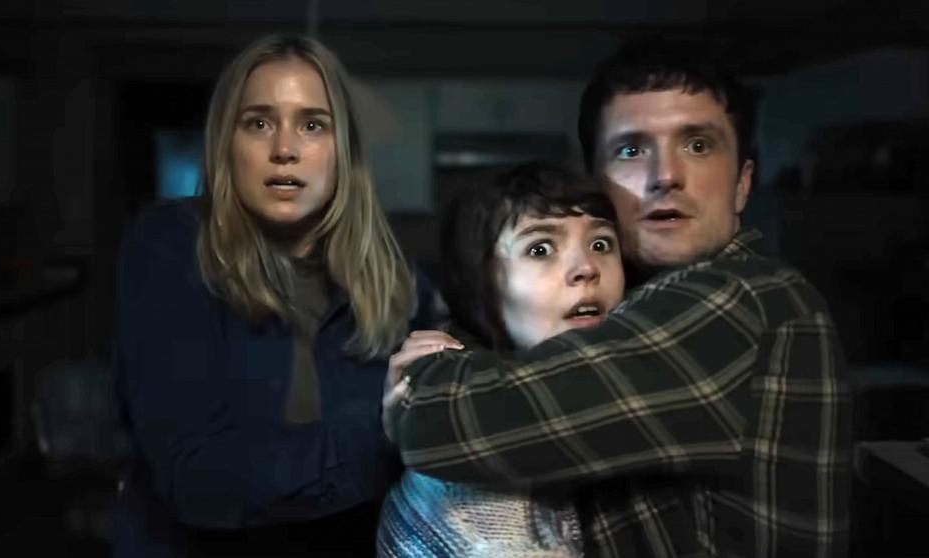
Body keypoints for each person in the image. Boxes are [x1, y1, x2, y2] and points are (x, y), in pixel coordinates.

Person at [384, 39, 852, 557]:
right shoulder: (632, 301)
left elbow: (452, 421)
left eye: (698, 145)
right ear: (598, 186)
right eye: (631, 150)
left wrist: (424, 379)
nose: (666, 176)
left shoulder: (741, 297)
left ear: (743, 184)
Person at [112, 34, 437, 557]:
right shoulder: (171, 246)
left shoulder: (397, 281)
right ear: (227, 143)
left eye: (312, 125)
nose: (284, 149)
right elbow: (197, 482)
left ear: (343, 151)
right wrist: (383, 429)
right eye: (259, 123)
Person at [377, 162, 626, 557]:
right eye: (540, 249)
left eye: (601, 244)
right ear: (482, 283)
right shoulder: (471, 490)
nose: (586, 269)